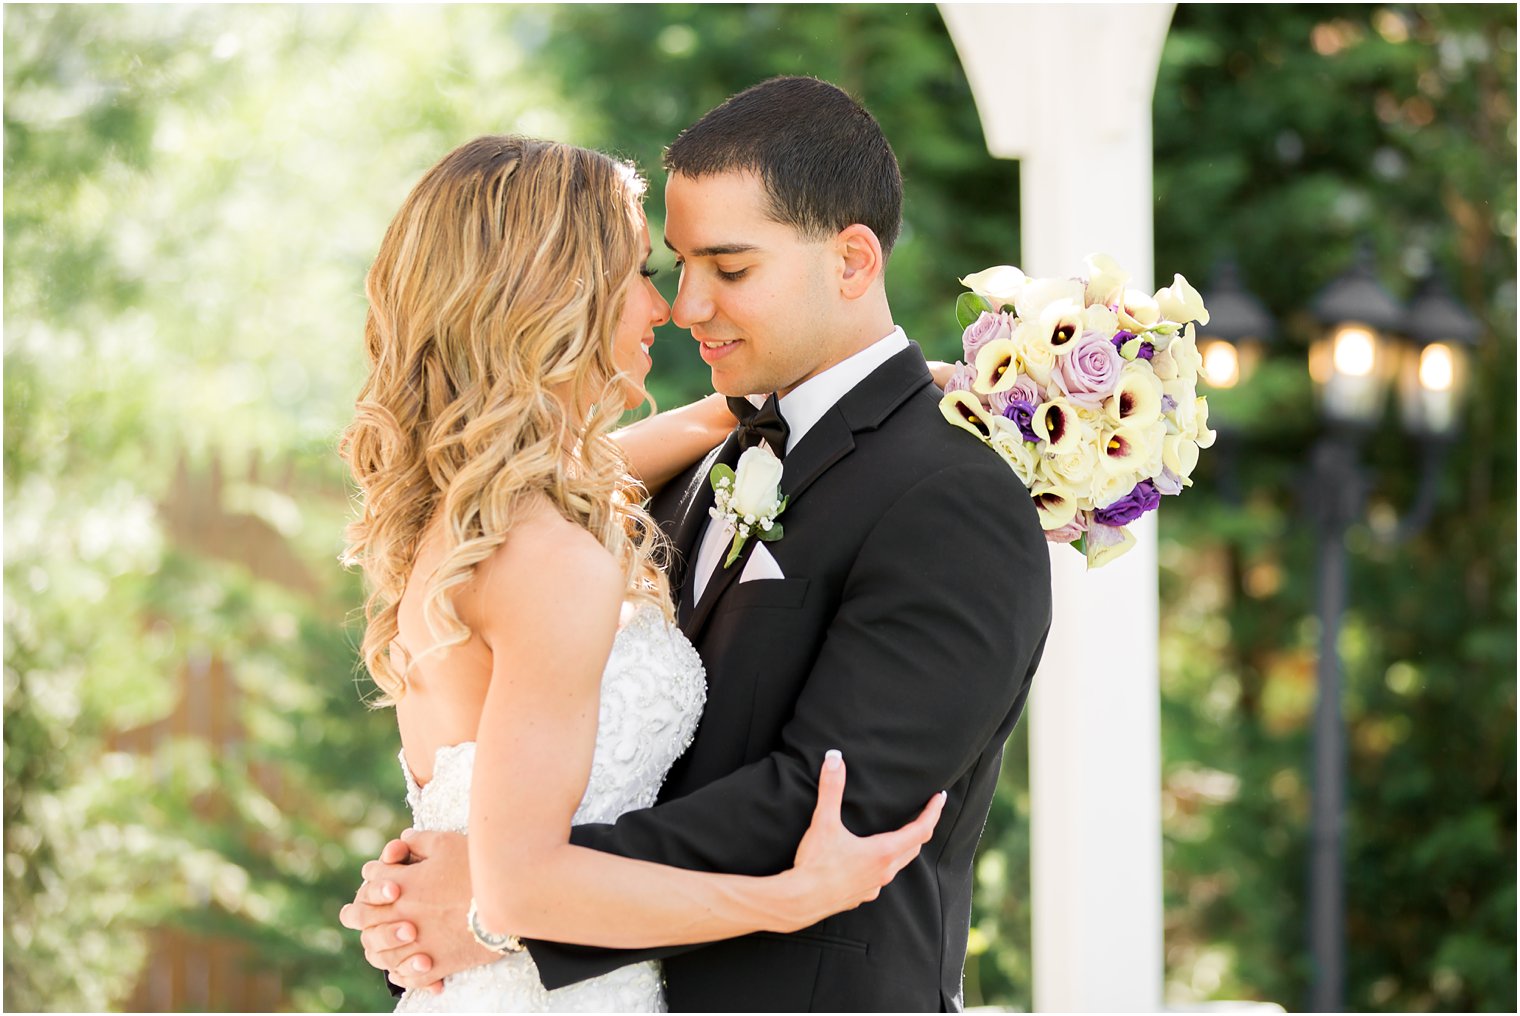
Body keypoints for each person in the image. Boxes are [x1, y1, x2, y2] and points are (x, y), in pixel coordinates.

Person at [344, 77, 1052, 1012]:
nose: (680, 307)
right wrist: (496, 898)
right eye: (664, 267)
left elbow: (831, 798)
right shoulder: (594, 512)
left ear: (851, 262)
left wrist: (485, 902)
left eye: (729, 267)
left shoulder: (947, 493)